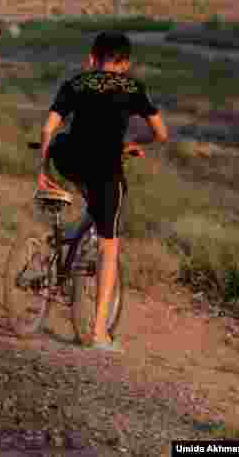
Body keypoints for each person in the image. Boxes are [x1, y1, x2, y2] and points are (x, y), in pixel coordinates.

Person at [36, 31, 168, 351]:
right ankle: (97, 334)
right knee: (110, 249)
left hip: (68, 160)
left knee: (86, 186)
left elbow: (48, 128)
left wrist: (41, 171)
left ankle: (68, 235)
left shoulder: (76, 82)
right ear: (125, 63)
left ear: (92, 58)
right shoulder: (133, 86)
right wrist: (133, 144)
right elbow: (161, 133)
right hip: (105, 169)